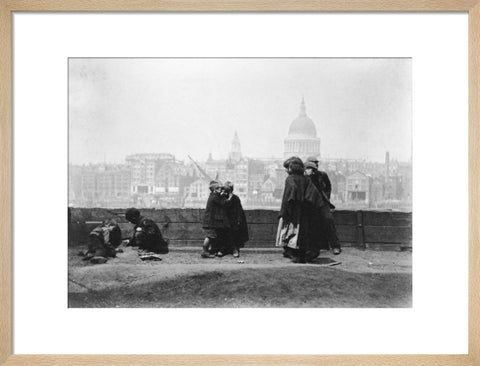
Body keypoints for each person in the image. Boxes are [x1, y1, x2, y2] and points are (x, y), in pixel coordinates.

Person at [276, 156, 310, 263]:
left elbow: (288, 196)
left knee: (290, 231)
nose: (286, 170)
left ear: (292, 168)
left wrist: (284, 211)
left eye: (287, 167)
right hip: (304, 211)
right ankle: (300, 255)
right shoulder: (306, 179)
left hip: (292, 210)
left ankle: (292, 253)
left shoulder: (290, 179)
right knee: (300, 232)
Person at [305, 156, 341, 255]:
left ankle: (335, 246)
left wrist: (326, 198)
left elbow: (328, 187)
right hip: (310, 204)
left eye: (316, 163)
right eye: (312, 163)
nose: (314, 165)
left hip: (322, 202)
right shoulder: (305, 177)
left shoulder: (322, 175)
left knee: (328, 220)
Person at [201, 180, 233, 258]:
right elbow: (223, 203)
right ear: (215, 190)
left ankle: (206, 251)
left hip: (209, 220)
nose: (221, 189)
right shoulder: (215, 197)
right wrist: (230, 197)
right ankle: (204, 251)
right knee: (210, 236)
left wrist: (221, 194)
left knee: (210, 236)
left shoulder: (212, 195)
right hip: (210, 221)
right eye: (219, 188)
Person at [223, 181, 249, 257]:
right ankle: (225, 249)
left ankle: (235, 249)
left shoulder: (235, 198)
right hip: (226, 220)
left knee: (234, 233)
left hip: (233, 220)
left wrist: (238, 220)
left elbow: (239, 210)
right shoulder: (223, 198)